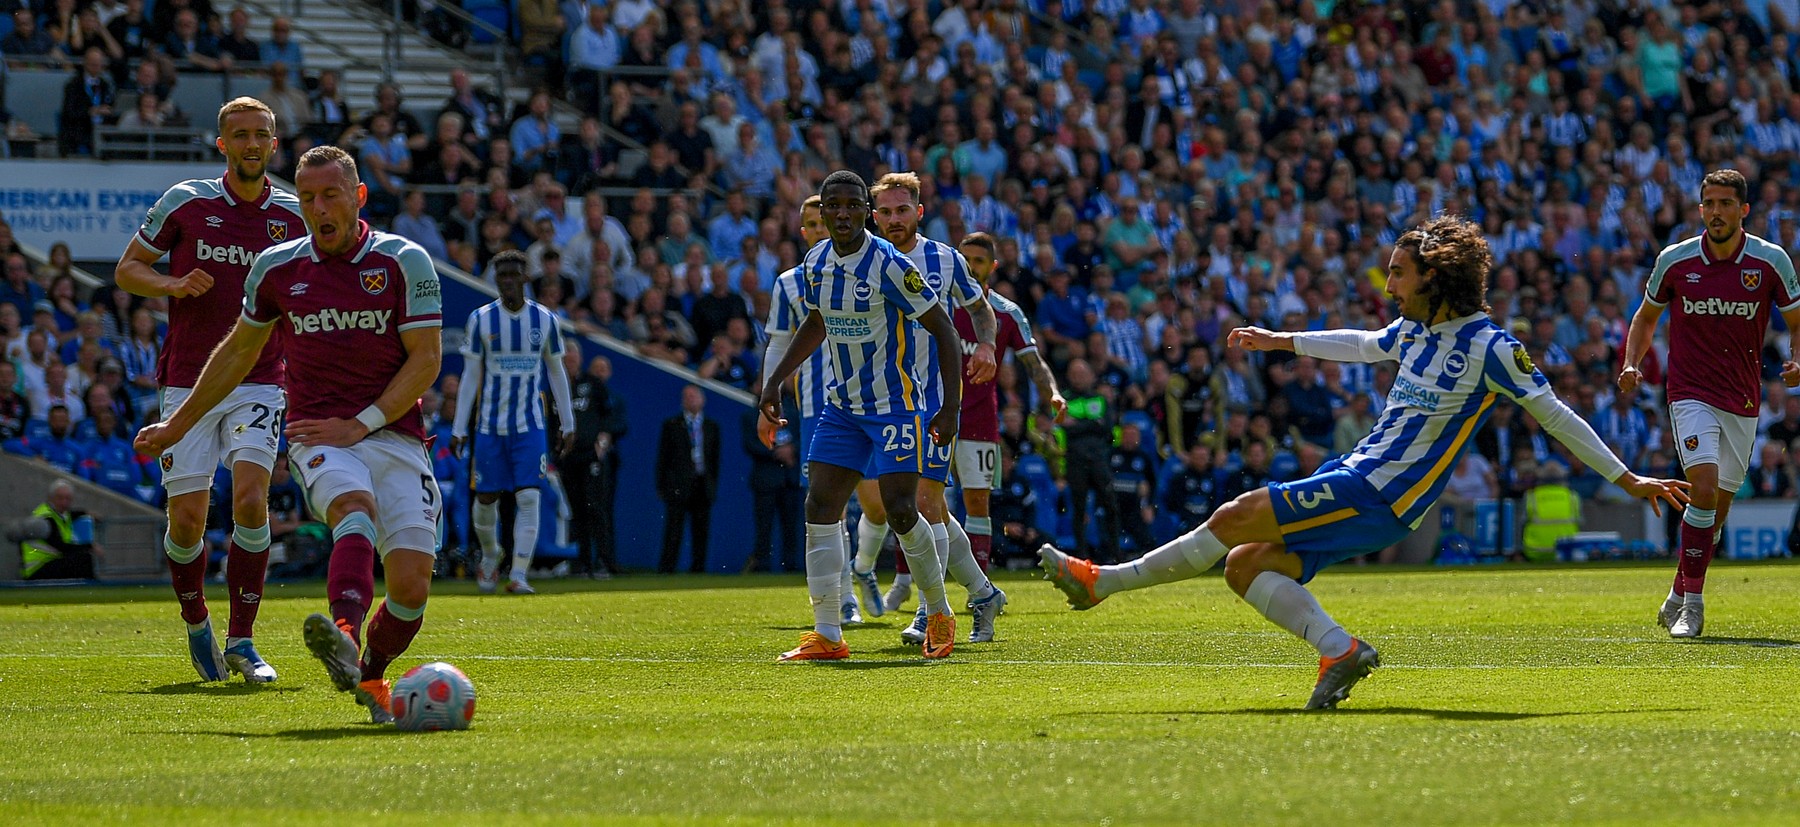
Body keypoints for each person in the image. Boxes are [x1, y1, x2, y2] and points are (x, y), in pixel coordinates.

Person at [1039, 216, 1688, 709]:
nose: (1388, 284)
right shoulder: (1413, 331)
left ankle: (1104, 582)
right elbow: (1363, 343)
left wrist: (1627, 477)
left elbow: (1556, 415)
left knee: (1237, 514)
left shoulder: (1491, 347)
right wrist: (1282, 340)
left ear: (1433, 276)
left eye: (1398, 273)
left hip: (1384, 494)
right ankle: (1340, 650)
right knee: (1245, 564)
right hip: (1355, 475)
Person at [136, 145, 446, 725]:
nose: (317, 207)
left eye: (330, 195)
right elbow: (235, 355)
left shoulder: (405, 261)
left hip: (393, 433)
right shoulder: (278, 268)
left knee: (409, 591)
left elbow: (425, 361)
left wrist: (364, 423)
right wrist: (176, 425)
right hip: (317, 433)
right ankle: (345, 634)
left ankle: (370, 674)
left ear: (357, 197)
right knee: (352, 512)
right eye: (306, 197)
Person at [116, 97, 302, 685]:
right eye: (240, 135)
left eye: (262, 135)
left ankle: (243, 642)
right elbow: (127, 270)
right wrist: (171, 281)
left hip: (260, 378)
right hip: (186, 381)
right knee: (189, 521)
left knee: (251, 499)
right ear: (221, 143)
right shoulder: (186, 202)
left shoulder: (295, 217)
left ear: (275, 144)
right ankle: (196, 617)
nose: (252, 144)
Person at [758, 170, 964, 661]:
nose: (844, 214)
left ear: (865, 214)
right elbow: (816, 321)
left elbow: (945, 331)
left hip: (897, 405)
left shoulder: (889, 265)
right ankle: (828, 633)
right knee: (819, 507)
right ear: (821, 213)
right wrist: (775, 382)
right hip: (843, 408)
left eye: (853, 205)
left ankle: (938, 612)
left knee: (899, 510)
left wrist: (950, 406)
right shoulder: (815, 263)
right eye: (835, 206)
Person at [1620, 168, 1800, 640]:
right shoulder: (1676, 261)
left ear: (1743, 210)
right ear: (1700, 209)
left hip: (1741, 399)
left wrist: (1797, 358)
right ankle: (1694, 608)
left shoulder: (1770, 261)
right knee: (1701, 487)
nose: (1716, 212)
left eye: (1725, 204)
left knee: (1717, 511)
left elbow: (1797, 320)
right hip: (1689, 392)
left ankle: (1680, 588)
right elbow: (1645, 318)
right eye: (1709, 204)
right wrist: (1631, 363)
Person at [849, 172, 1001, 645]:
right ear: (874, 216)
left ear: (918, 211)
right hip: (877, 402)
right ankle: (983, 592)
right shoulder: (859, 259)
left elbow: (980, 309)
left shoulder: (944, 259)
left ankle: (929, 610)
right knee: (920, 509)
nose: (894, 220)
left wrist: (988, 346)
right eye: (885, 212)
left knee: (921, 503)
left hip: (932, 399)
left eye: (902, 210)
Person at [757, 195, 862, 617]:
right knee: (827, 504)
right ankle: (843, 597)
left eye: (826, 222)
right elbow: (779, 342)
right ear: (804, 232)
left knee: (876, 505)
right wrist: (769, 393)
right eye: (813, 225)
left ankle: (869, 571)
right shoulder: (789, 283)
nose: (821, 229)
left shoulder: (865, 270)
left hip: (869, 399)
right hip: (819, 407)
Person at [451, 250, 575, 595]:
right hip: (489, 427)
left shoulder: (545, 320)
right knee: (486, 499)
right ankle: (491, 554)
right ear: (496, 279)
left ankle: (519, 574)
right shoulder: (481, 319)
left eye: (513, 275)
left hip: (530, 426)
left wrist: (568, 422)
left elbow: (556, 371)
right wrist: (460, 427)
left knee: (529, 497)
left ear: (524, 279)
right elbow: (470, 375)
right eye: (501, 275)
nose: (507, 281)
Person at [568, 353, 626, 578]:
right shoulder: (564, 387)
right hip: (573, 459)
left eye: (604, 368)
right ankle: (584, 562)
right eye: (596, 368)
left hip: (600, 460)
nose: (599, 373)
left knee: (600, 510)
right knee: (580, 511)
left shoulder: (605, 394)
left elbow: (616, 422)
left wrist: (604, 439)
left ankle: (606, 561)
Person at [1061, 358, 1122, 562]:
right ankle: (1081, 555)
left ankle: (1114, 553)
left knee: (1110, 506)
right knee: (1079, 509)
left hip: (1098, 460)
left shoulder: (1099, 399)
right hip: (1075, 461)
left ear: (1090, 375)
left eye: (1082, 373)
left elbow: (1107, 428)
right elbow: (1063, 428)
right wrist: (1091, 424)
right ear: (1069, 376)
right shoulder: (1063, 400)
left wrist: (1077, 424)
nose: (1078, 378)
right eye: (1074, 373)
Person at [656, 385, 720, 573]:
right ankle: (667, 568)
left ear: (702, 400)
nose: (690, 399)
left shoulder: (711, 427)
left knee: (701, 530)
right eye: (686, 397)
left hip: (702, 482)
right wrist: (662, 485)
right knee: (674, 529)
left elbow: (715, 460)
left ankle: (698, 568)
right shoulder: (672, 425)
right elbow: (663, 458)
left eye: (693, 396)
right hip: (678, 484)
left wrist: (712, 486)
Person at [744, 408, 804, 573]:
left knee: (791, 527)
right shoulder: (751, 416)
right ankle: (762, 564)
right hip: (766, 480)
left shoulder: (794, 414)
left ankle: (791, 564)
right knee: (763, 527)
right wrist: (778, 452)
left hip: (790, 479)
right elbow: (751, 443)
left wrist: (792, 449)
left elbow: (804, 436)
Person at [10, 480, 99, 580]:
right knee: (83, 559)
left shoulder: (60, 514)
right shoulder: (45, 518)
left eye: (68, 499)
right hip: (36, 568)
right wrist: (89, 546)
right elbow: (61, 547)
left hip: (49, 563)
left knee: (80, 559)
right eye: (60, 498)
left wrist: (86, 513)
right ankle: (93, 589)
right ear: (50, 498)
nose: (64, 502)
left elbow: (72, 514)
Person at [1521, 462, 1580, 562]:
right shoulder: (1572, 496)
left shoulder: (1531, 496)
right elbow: (1579, 522)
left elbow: (1522, 523)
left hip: (1535, 552)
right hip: (1565, 552)